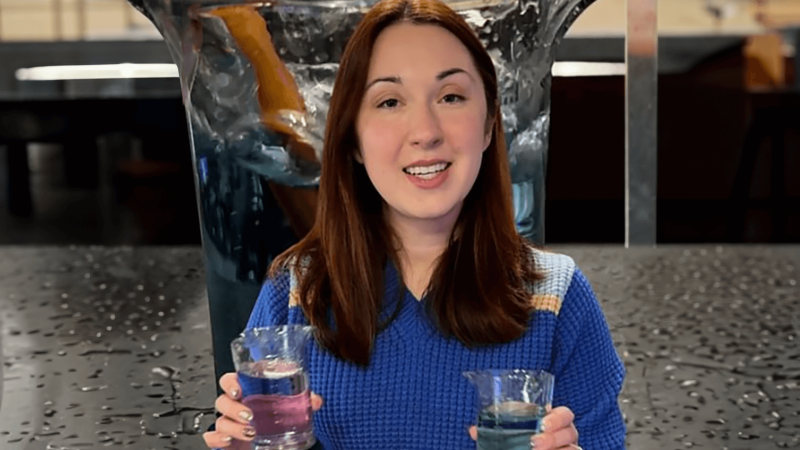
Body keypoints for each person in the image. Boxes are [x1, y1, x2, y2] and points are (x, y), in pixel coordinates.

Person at [203, 0, 626, 448]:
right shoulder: (295, 292)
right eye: (389, 101)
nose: (425, 131)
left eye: (451, 97)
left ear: (488, 126)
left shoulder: (558, 298)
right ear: (354, 141)